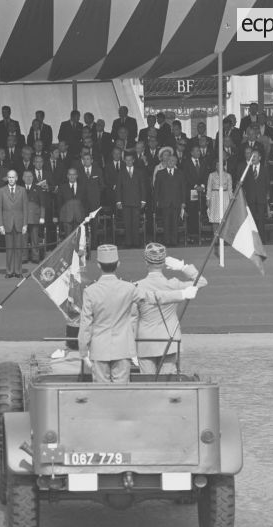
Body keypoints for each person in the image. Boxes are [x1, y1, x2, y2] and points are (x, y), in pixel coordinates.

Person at [78, 245, 197, 383]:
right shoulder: (129, 288)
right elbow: (154, 297)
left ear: (98, 265)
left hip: (99, 349)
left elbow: (85, 324)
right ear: (118, 264)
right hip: (122, 349)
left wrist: (83, 351)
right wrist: (182, 294)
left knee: (101, 391)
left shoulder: (90, 291)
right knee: (121, 391)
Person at [135, 243, 207, 375]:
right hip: (169, 339)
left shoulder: (137, 286)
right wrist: (183, 267)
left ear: (146, 262)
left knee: (148, 384)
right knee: (167, 384)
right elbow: (202, 282)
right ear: (164, 263)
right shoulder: (174, 285)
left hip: (144, 341)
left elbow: (132, 318)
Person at [0, 170, 28, 278]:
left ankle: (18, 271)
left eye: (13, 177)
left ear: (16, 178)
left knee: (19, 249)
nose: (11, 179)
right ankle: (9, 271)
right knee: (9, 249)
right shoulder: (1, 191)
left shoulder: (22, 190)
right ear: (7, 178)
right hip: (7, 224)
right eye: (9, 177)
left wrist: (25, 224)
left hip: (19, 223)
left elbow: (25, 208)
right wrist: (0, 225)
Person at [115, 151, 147, 248]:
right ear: (124, 161)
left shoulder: (139, 172)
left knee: (136, 222)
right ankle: (128, 243)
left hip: (137, 201)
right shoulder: (121, 172)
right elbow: (118, 188)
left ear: (133, 160)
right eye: (127, 160)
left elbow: (142, 187)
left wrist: (143, 200)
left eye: (130, 160)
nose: (128, 162)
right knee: (127, 223)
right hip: (125, 201)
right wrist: (118, 201)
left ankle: (136, 242)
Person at [154, 155, 186, 247]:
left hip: (177, 202)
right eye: (170, 160)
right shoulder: (160, 173)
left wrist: (183, 202)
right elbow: (156, 189)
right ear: (167, 162)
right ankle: (167, 241)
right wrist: (156, 201)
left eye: (173, 161)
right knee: (166, 222)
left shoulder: (180, 173)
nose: (171, 162)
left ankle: (174, 241)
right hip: (164, 202)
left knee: (175, 223)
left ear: (176, 163)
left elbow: (183, 188)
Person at [206, 159, 233, 254]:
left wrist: (231, 200)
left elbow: (230, 188)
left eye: (220, 165)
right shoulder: (211, 175)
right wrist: (208, 199)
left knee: (224, 219)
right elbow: (209, 187)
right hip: (215, 196)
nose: (218, 167)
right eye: (217, 165)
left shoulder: (228, 175)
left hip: (225, 196)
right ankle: (215, 239)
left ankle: (224, 238)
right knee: (215, 219)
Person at [242, 149, 269, 238]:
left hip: (261, 198)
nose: (252, 158)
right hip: (251, 198)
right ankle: (252, 239)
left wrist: (266, 196)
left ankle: (261, 238)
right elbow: (245, 184)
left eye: (255, 156)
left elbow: (267, 184)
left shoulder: (265, 169)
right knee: (251, 219)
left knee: (261, 219)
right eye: (252, 156)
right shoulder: (247, 169)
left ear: (260, 158)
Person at [21, 170, 45, 263]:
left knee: (35, 238)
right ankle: (24, 257)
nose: (28, 178)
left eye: (30, 176)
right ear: (23, 178)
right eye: (26, 176)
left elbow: (42, 203)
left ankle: (35, 257)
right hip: (23, 218)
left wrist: (42, 217)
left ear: (33, 177)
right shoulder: (19, 188)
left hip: (34, 217)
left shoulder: (38, 188)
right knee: (23, 239)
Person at [57, 167, 87, 238]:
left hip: (80, 217)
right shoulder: (62, 187)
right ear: (67, 176)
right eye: (70, 174)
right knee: (68, 239)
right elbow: (59, 203)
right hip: (67, 218)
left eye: (74, 174)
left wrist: (84, 215)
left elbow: (86, 202)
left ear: (77, 175)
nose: (72, 176)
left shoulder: (83, 186)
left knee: (79, 238)